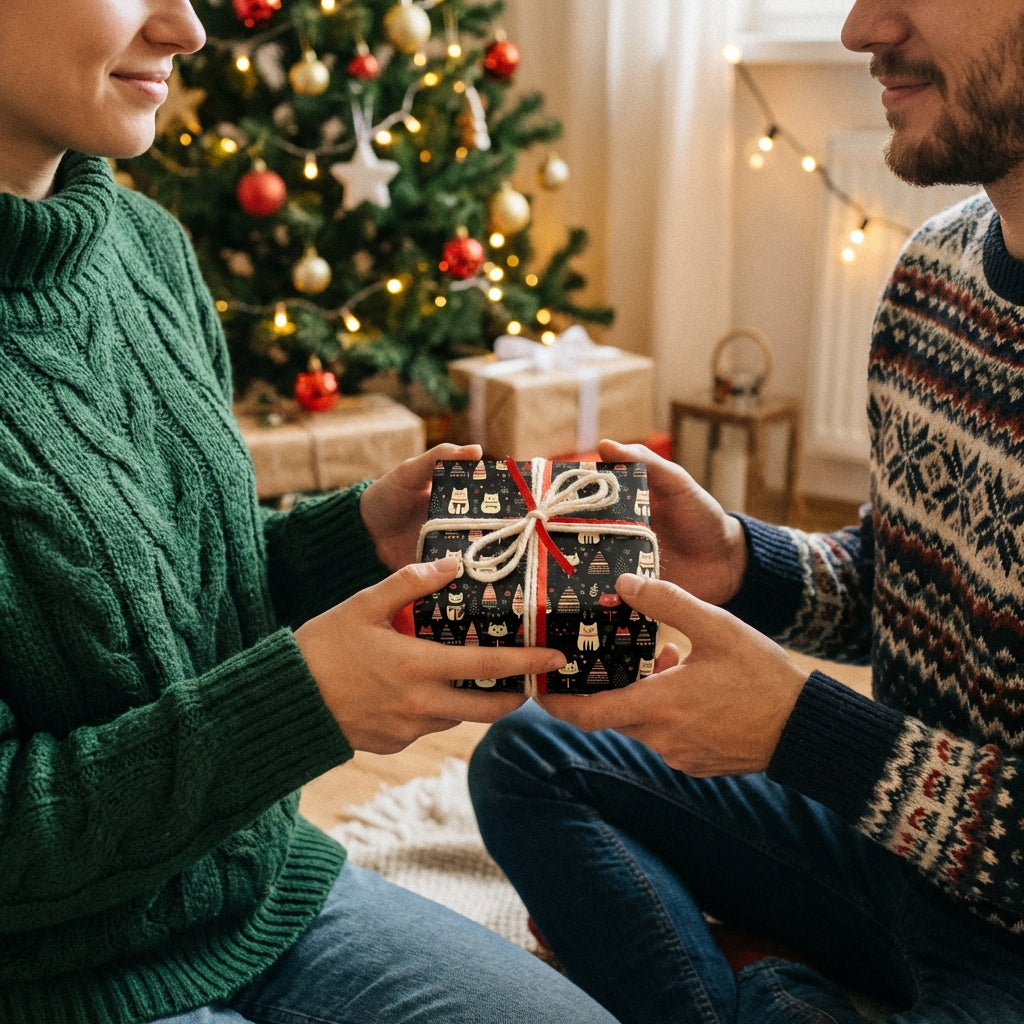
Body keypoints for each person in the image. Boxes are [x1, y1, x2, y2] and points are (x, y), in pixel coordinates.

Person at [0, 2, 626, 1023]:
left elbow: (175, 603)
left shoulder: (144, 245)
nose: (189, 29)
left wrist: (357, 538)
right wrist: (303, 706)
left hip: (257, 894)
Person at [468, 1, 1024, 1022]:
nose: (858, 29)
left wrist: (803, 732)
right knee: (530, 753)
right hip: (891, 853)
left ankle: (768, 989)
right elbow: (907, 580)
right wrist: (737, 560)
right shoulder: (938, 267)